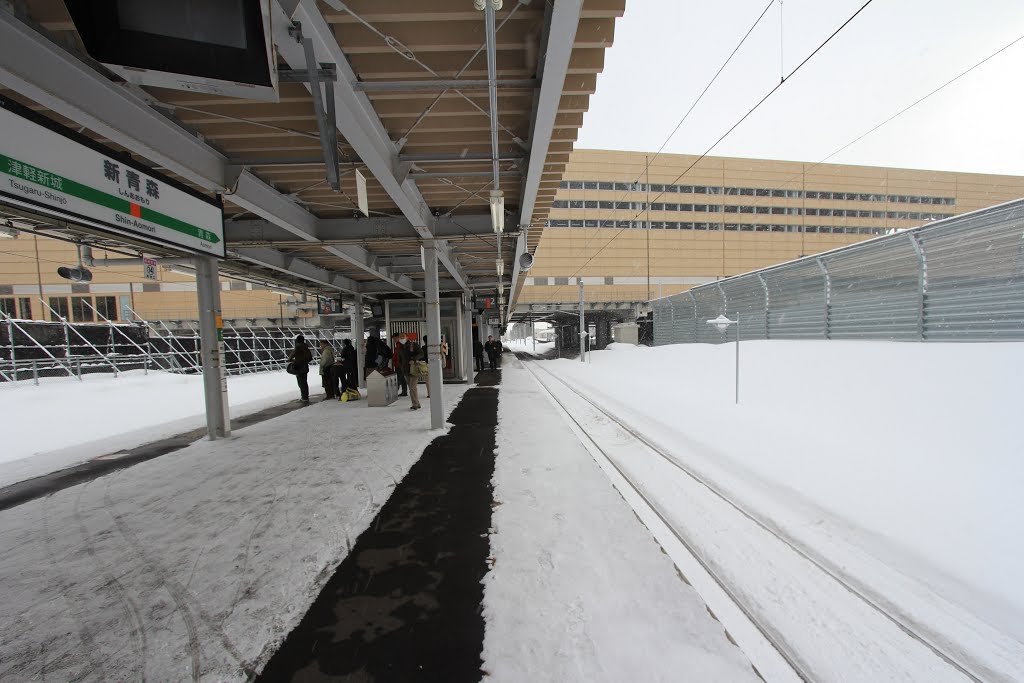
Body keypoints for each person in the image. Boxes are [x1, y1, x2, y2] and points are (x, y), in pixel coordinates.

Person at [399, 335, 422, 410]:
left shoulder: (413, 345)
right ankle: (416, 403)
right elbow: (401, 359)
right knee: (412, 388)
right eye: (400, 337)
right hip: (406, 370)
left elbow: (421, 353)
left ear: (407, 338)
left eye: (403, 337)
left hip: (414, 369)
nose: (402, 339)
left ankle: (415, 403)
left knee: (412, 387)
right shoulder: (401, 347)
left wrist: (414, 359)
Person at [287, 334, 312, 402]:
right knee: (304, 382)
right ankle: (305, 396)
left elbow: (291, 356)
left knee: (301, 382)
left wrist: (292, 360)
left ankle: (304, 397)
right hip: (305, 366)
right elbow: (310, 358)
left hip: (299, 367)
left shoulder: (298, 347)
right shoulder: (306, 347)